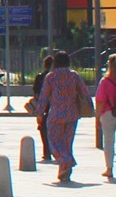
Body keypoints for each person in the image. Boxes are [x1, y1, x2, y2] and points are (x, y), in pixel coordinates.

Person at [31, 54, 90, 183]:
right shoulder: (74, 76)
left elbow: (44, 96)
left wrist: (39, 113)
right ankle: (64, 169)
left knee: (54, 141)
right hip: (72, 113)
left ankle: (65, 161)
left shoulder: (51, 77)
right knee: (67, 142)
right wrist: (90, 107)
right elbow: (84, 92)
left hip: (56, 114)